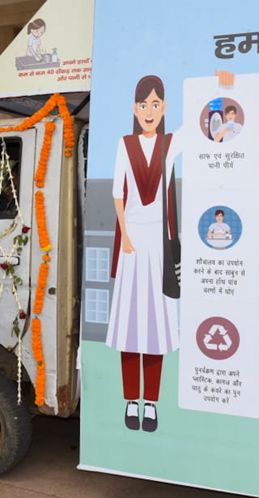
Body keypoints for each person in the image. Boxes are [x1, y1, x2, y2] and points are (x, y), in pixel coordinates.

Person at [107, 75, 182, 433]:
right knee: (129, 329)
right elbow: (118, 194)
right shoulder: (125, 144)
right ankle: (128, 401)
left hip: (160, 247)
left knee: (155, 329)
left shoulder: (170, 143)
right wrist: (125, 237)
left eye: (155, 104)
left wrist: (222, 88)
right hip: (133, 245)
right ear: (134, 109)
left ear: (163, 108)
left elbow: (204, 128)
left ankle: (150, 403)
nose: (149, 111)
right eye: (143, 104)